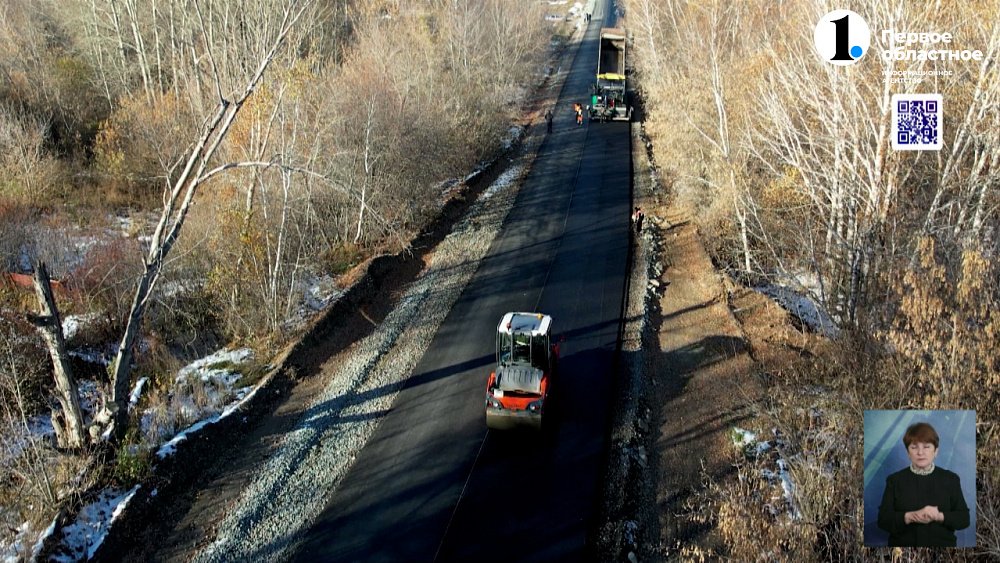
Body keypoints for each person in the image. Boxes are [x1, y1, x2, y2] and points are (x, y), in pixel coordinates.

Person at [877, 422, 970, 547]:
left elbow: (964, 519)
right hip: (904, 551)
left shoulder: (950, 479)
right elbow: (883, 520)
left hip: (943, 551)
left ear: (936, 451)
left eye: (926, 447)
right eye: (914, 447)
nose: (920, 452)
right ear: (908, 453)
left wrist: (939, 516)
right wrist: (909, 517)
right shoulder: (894, 480)